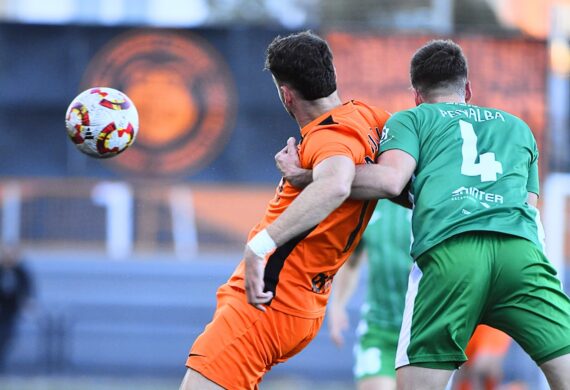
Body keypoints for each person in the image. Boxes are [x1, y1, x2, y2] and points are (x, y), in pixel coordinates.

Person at [277, 39, 570, 390]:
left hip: (452, 255)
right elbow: (529, 204)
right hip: (521, 256)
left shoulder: (412, 120)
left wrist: (308, 176)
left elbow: (388, 181)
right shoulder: (517, 127)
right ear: (468, 88)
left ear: (417, 94)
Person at [179, 31, 390, 390]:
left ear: (286, 94)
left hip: (267, 302)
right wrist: (308, 176)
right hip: (302, 302)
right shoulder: (371, 118)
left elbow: (336, 183)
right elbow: (390, 181)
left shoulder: (329, 137)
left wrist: (260, 245)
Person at [324, 200, 511, 390]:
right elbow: (352, 260)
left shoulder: (438, 196)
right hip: (381, 327)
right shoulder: (370, 199)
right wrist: (337, 305)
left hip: (428, 331)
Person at [0, 246, 33, 373]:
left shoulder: (20, 272)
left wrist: (27, 303)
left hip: (11, 311)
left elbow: (27, 289)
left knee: (7, 336)